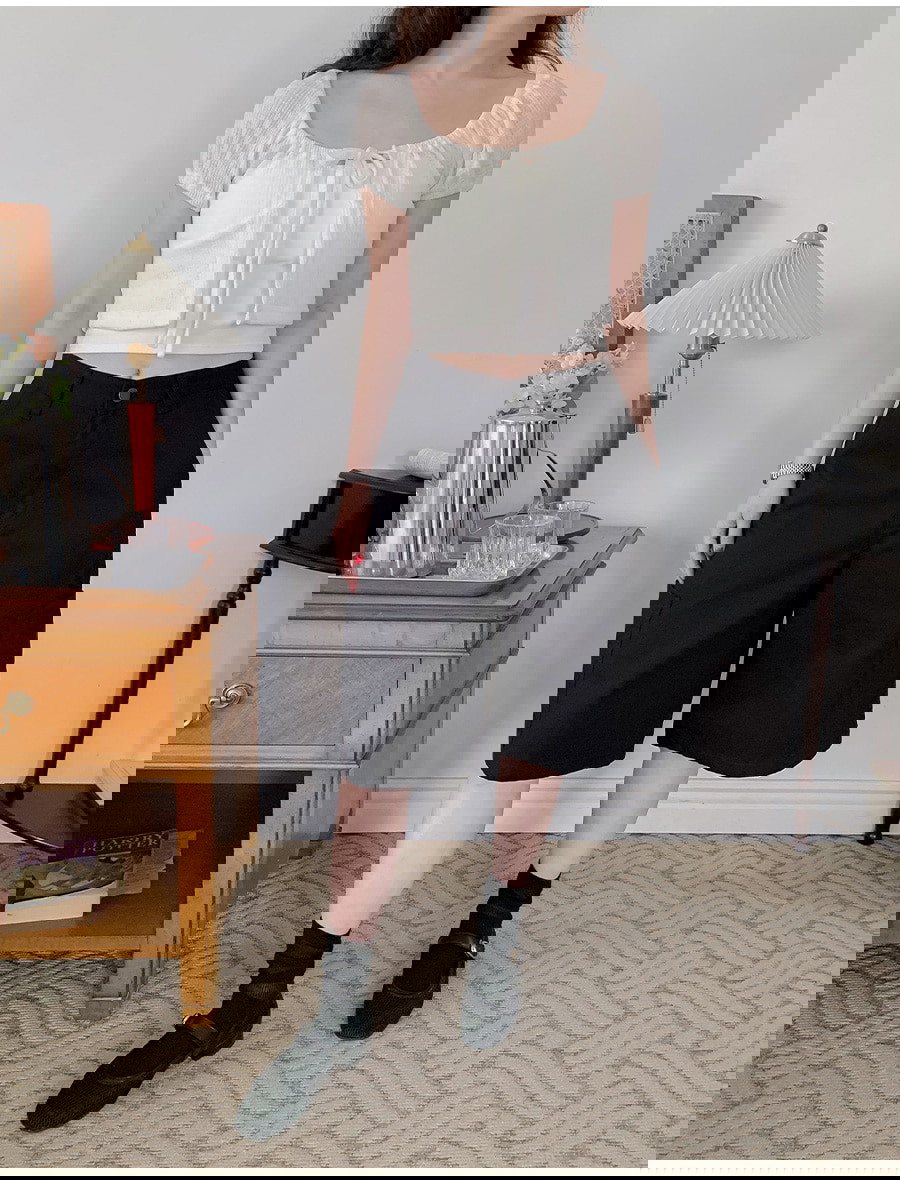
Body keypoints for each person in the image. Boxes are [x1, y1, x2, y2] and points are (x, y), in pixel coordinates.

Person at [0, 6, 585, 854]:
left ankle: (42, 782)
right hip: (85, 363)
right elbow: (158, 234)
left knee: (45, 584)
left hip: (196, 393)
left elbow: (360, 286)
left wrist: (254, 415)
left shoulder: (510, 109)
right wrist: (34, 353)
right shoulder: (309, 98)